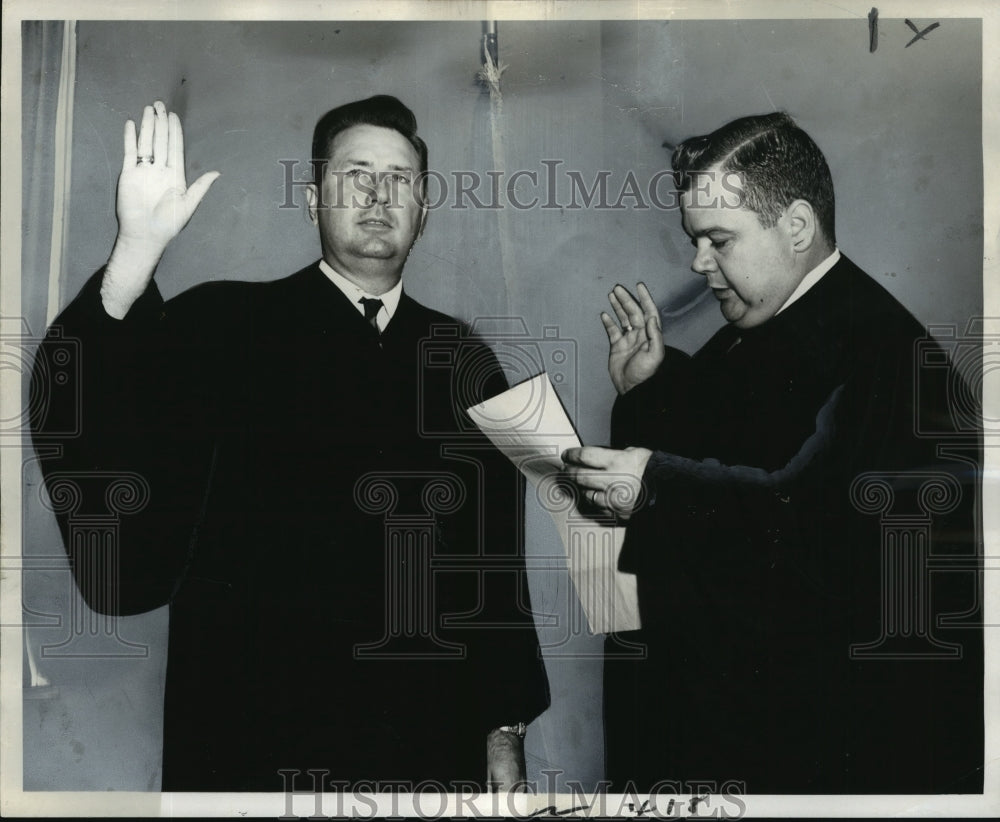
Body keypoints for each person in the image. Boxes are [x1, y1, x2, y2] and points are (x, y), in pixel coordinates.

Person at [31, 95, 549, 792]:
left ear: (424, 210)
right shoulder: (224, 326)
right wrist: (133, 258)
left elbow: (497, 570)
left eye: (401, 179)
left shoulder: (469, 360)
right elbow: (97, 401)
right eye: (355, 173)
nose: (378, 194)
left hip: (428, 741)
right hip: (253, 737)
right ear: (312, 201)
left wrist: (504, 732)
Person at [562, 112, 983, 793]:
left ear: (796, 226)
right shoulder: (755, 331)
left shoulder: (895, 362)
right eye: (695, 241)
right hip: (731, 745)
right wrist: (652, 389)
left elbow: (818, 532)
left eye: (718, 240)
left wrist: (658, 486)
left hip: (817, 761)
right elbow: (736, 457)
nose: (699, 264)